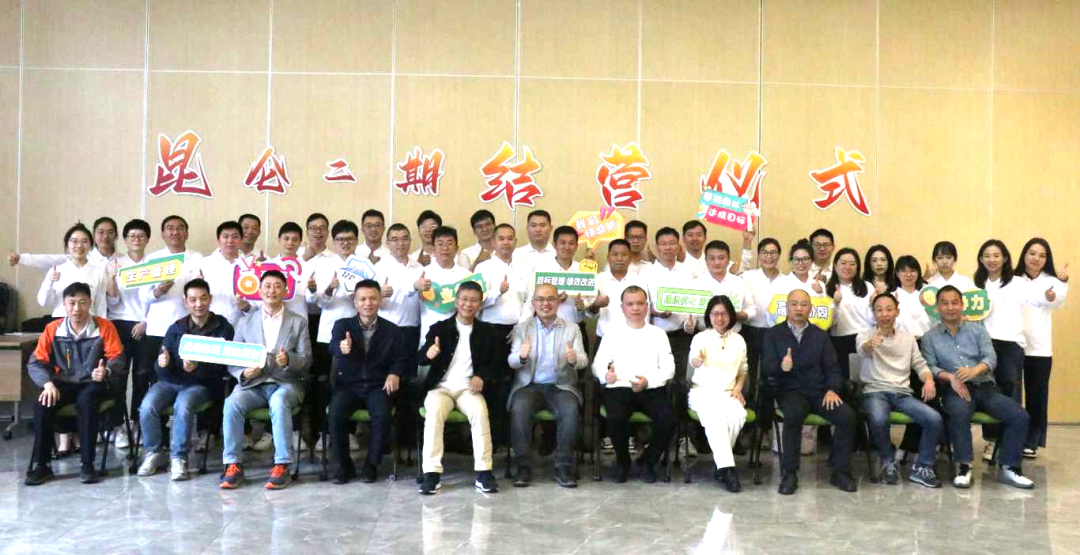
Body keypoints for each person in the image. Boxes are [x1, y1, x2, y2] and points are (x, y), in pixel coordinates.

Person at [921, 286, 1032, 489]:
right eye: (945, 303)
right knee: (959, 413)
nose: (950, 307)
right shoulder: (929, 337)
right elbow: (931, 366)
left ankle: (1010, 467)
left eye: (955, 302)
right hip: (955, 389)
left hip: (985, 387)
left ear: (962, 305)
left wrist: (974, 370)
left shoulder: (978, 330)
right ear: (937, 308)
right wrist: (951, 377)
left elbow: (990, 357)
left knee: (1020, 416)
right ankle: (964, 467)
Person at [24, 282, 127, 485]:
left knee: (87, 402)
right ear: (64, 304)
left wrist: (106, 371)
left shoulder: (104, 326)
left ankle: (87, 465)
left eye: (82, 302)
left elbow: (118, 357)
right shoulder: (53, 329)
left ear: (90, 303)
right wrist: (47, 383)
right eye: (72, 303)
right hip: (62, 383)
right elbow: (35, 362)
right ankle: (42, 465)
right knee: (44, 403)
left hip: (93, 383)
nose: (77, 308)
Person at [219, 271, 312, 490]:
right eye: (267, 286)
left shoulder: (298, 322)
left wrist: (289, 360)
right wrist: (243, 373)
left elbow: (307, 359)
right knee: (231, 403)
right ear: (259, 291)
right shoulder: (245, 321)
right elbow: (233, 359)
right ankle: (232, 464)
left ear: (285, 291)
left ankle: (282, 465)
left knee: (278, 403)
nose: (272, 290)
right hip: (254, 383)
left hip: (285, 383)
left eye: (277, 286)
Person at [761, 289, 857, 495]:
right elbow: (767, 369)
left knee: (847, 416)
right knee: (793, 414)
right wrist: (781, 367)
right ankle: (790, 473)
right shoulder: (773, 334)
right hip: (790, 391)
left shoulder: (820, 336)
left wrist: (832, 389)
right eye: (794, 304)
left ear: (810, 309)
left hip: (819, 391)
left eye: (804, 304)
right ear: (786, 308)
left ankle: (840, 471)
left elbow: (833, 369)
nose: (799, 308)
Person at [137, 278, 234, 480]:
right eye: (193, 300)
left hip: (201, 384)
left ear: (210, 299)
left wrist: (197, 367)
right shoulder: (176, 328)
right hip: (170, 381)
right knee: (147, 406)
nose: (198, 304)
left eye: (203, 298)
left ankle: (179, 457)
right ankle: (153, 452)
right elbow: (161, 368)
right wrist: (162, 364)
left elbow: (224, 366)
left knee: (183, 405)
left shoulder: (223, 328)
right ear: (185, 302)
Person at [417, 281, 501, 495]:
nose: (468, 304)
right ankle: (431, 474)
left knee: (479, 411)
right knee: (434, 412)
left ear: (480, 304)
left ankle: (484, 472)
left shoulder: (487, 332)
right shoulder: (439, 328)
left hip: (468, 389)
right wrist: (428, 354)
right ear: (456, 301)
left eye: (473, 300)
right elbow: (420, 358)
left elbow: (495, 364)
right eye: (464, 299)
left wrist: (481, 376)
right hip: (440, 388)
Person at [507, 283, 588, 488]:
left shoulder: (572, 328)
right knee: (520, 408)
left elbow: (583, 360)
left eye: (551, 299)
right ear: (534, 303)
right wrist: (521, 357)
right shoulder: (522, 329)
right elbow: (512, 361)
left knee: (570, 410)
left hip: (561, 386)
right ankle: (523, 466)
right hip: (529, 385)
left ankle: (563, 466)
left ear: (558, 302)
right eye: (541, 299)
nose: (545, 304)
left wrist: (573, 360)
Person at [857, 293, 942, 488]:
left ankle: (922, 467)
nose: (884, 314)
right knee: (878, 419)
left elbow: (920, 364)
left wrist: (929, 380)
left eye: (889, 309)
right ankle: (888, 461)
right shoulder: (865, 335)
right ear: (874, 313)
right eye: (879, 310)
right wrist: (871, 344)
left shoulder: (908, 338)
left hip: (902, 393)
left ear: (897, 312)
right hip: (875, 391)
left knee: (934, 419)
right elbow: (862, 351)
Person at [592, 286, 675, 484]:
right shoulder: (612, 333)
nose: (635, 308)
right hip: (619, 387)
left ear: (647, 306)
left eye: (640, 303)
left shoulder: (659, 334)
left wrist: (648, 382)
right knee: (615, 417)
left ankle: (648, 461)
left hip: (651, 387)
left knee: (669, 419)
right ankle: (623, 462)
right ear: (623, 308)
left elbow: (669, 368)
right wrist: (605, 375)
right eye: (630, 304)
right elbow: (597, 364)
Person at [327, 279, 408, 484]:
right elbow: (333, 346)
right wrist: (341, 348)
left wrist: (395, 373)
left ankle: (371, 465)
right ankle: (343, 465)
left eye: (373, 298)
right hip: (348, 385)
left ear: (380, 301)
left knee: (382, 415)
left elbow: (401, 358)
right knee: (335, 413)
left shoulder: (392, 330)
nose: (368, 303)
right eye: (362, 299)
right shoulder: (342, 325)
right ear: (355, 302)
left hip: (377, 385)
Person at [687, 295, 749, 492]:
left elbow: (743, 370)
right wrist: (697, 360)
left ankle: (721, 464)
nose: (720, 318)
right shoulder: (700, 337)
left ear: (731, 316)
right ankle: (728, 471)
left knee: (738, 415)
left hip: (729, 392)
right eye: (715, 314)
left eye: (724, 314)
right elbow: (694, 360)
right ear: (709, 316)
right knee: (715, 417)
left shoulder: (739, 340)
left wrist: (738, 389)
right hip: (702, 392)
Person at [973, 240, 1027, 461]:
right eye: (987, 255)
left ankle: (1010, 444)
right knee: (988, 392)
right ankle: (991, 441)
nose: (992, 260)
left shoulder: (1017, 282)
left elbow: (1039, 297)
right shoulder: (977, 284)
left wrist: (1054, 291)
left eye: (996, 255)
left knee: (1010, 393)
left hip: (1011, 344)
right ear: (981, 259)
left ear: (1005, 258)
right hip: (984, 344)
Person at [1015, 238, 1068, 459]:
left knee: (1037, 397)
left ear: (1047, 259)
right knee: (1010, 397)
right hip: (1013, 345)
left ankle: (1032, 442)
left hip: (1039, 348)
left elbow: (1058, 301)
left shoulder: (1053, 280)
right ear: (1024, 255)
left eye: (1042, 255)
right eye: (1032, 253)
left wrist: (1054, 293)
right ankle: (1008, 440)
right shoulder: (1013, 279)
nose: (1036, 258)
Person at [103, 219, 153, 449]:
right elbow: (112, 301)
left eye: (141, 235)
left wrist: (145, 321)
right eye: (131, 235)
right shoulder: (115, 262)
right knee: (118, 376)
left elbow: (157, 298)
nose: (136, 239)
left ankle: (137, 423)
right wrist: (112, 278)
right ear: (124, 239)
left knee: (142, 376)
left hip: (145, 325)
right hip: (119, 324)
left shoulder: (154, 264)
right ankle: (118, 426)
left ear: (147, 239)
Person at [641, 227, 696, 384]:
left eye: (672, 243)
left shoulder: (688, 271)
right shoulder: (646, 272)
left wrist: (691, 321)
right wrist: (654, 312)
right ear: (657, 247)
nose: (668, 247)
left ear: (678, 246)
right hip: (656, 333)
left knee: (681, 377)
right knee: (658, 377)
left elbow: (693, 300)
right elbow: (642, 303)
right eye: (663, 244)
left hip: (683, 333)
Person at [37, 223, 108, 318]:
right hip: (60, 321)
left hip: (87, 322)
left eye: (84, 241)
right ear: (67, 245)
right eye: (74, 241)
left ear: (91, 245)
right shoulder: (56, 270)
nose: (79, 245)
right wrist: (50, 282)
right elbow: (43, 302)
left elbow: (101, 305)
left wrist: (101, 324)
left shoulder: (98, 272)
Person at [824, 248, 875, 380]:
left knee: (866, 379)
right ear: (835, 266)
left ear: (857, 267)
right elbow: (828, 322)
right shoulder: (826, 288)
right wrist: (835, 303)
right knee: (845, 380)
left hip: (864, 338)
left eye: (852, 264)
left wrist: (872, 304)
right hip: (839, 340)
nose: (847, 267)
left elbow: (873, 320)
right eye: (843, 263)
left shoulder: (867, 286)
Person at [417, 226, 472, 341]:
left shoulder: (466, 276)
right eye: (440, 244)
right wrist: (416, 287)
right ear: (433, 249)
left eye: (449, 243)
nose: (445, 248)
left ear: (457, 248)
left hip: (458, 335)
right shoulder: (422, 273)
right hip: (428, 334)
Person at [9, 216, 119, 270]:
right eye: (100, 232)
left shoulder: (123, 260)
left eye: (110, 232)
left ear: (116, 235)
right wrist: (21, 258)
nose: (105, 236)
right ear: (93, 235)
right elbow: (49, 260)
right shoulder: (81, 257)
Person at [198, 221, 253, 327]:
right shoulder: (204, 264)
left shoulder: (250, 265)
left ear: (241, 239)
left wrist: (248, 308)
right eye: (225, 236)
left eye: (235, 237)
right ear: (218, 240)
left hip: (243, 324)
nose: (230, 241)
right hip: (211, 323)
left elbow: (258, 299)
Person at [893, 255, 931, 338]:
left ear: (918, 273)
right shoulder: (892, 296)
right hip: (901, 341)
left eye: (912, 271)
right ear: (897, 274)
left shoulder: (926, 293)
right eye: (904, 271)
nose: (909, 275)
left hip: (925, 341)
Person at [513, 210, 556, 274]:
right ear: (527, 228)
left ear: (551, 228)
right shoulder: (515, 254)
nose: (538, 229)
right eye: (533, 225)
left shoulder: (559, 254)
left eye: (542, 225)